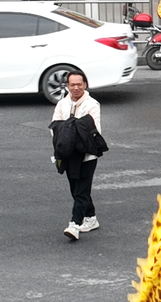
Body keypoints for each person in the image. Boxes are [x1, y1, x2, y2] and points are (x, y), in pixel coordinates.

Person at [51, 71, 104, 242]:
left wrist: (67, 129)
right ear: (67, 86)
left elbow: (91, 130)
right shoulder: (61, 104)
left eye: (79, 84)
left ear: (85, 85)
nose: (75, 87)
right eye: (72, 84)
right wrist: (74, 128)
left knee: (81, 190)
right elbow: (54, 128)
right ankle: (91, 218)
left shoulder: (92, 105)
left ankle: (74, 224)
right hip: (67, 155)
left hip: (86, 155)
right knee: (75, 189)